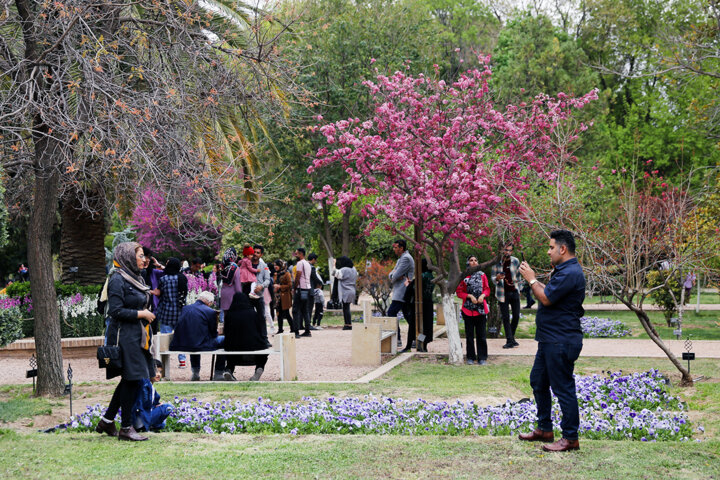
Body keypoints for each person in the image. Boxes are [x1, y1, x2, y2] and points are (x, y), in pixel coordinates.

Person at [518, 229, 585, 452]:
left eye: (551, 247)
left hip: (561, 340)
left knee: (563, 388)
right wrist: (536, 281)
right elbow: (551, 293)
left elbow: (545, 298)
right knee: (538, 381)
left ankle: (570, 438)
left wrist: (532, 279)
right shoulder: (564, 270)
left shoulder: (571, 272)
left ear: (562, 249)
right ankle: (545, 429)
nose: (548, 252)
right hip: (549, 340)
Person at [95, 242, 155, 441]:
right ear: (128, 256)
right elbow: (115, 311)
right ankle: (126, 428)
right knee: (133, 378)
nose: (143, 259)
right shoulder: (117, 279)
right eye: (139, 255)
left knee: (131, 379)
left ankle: (107, 420)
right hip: (124, 336)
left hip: (137, 335)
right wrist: (142, 313)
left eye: (143, 255)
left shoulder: (136, 277)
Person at [170, 291, 225, 381]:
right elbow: (213, 334)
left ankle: (195, 373)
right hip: (199, 344)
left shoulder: (185, 308)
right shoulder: (210, 311)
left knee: (195, 339)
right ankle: (218, 372)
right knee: (225, 340)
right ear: (209, 302)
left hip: (183, 343)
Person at [223, 292, 269, 381]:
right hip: (253, 347)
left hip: (234, 348)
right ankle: (259, 368)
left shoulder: (229, 315)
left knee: (229, 347)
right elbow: (261, 327)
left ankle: (229, 369)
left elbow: (226, 332)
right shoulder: (253, 314)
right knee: (265, 350)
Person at [153, 257, 188, 368]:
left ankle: (164, 362)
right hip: (179, 312)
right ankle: (182, 361)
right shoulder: (182, 278)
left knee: (165, 338)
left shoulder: (164, 279)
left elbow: (159, 293)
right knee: (181, 336)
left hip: (166, 312)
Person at [456, 256, 490, 364]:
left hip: (480, 309)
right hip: (468, 309)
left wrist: (483, 296)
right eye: (471, 260)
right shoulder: (464, 276)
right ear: (468, 263)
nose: (474, 262)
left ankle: (482, 358)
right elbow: (459, 292)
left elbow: (487, 289)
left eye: (476, 260)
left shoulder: (482, 275)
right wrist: (469, 296)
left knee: (481, 335)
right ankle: (470, 357)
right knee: (469, 335)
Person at [491, 244, 521, 349]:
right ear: (502, 250)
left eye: (509, 250)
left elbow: (519, 275)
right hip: (502, 293)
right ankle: (510, 340)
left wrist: (519, 288)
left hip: (514, 291)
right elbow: (492, 278)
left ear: (512, 251)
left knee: (516, 316)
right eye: (505, 250)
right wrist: (498, 278)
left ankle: (511, 338)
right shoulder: (496, 262)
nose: (507, 252)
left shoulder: (515, 261)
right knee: (505, 317)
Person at [131, 360, 173, 432]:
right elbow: (144, 403)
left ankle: (150, 426)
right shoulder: (144, 385)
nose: (158, 374)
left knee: (162, 424)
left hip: (143, 416)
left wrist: (156, 405)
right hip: (141, 418)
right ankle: (144, 426)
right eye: (156, 371)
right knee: (168, 407)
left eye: (160, 372)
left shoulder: (151, 386)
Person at [388, 239, 414, 347]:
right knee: (408, 316)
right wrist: (394, 275)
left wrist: (394, 275)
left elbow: (393, 277)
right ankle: (415, 338)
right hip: (400, 290)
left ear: (401, 248)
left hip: (402, 291)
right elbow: (391, 275)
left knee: (391, 313)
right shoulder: (401, 259)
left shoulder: (406, 259)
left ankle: (398, 339)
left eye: (396, 247)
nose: (394, 249)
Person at [332, 256, 358, 330]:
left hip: (345, 291)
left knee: (346, 308)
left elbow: (334, 273)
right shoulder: (354, 269)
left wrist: (334, 264)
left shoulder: (344, 270)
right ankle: (347, 323)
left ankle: (348, 324)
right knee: (347, 307)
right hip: (352, 290)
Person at [253, 245, 274, 333]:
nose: (255, 254)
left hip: (260, 295)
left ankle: (264, 338)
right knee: (251, 317)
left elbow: (268, 280)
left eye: (258, 253)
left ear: (261, 255)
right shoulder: (247, 264)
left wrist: (261, 286)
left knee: (262, 316)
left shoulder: (264, 266)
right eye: (254, 252)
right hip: (248, 295)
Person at [292, 248, 313, 337]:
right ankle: (307, 331)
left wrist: (294, 287)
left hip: (300, 289)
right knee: (305, 310)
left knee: (295, 310)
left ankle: (296, 331)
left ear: (301, 254)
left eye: (296, 254)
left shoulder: (300, 263)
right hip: (307, 288)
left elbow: (298, 276)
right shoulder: (308, 264)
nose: (295, 255)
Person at [273, 259, 295, 336]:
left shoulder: (287, 274)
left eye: (277, 265)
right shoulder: (276, 274)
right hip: (277, 297)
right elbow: (274, 283)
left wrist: (280, 286)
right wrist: (275, 287)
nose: (275, 267)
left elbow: (290, 285)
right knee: (279, 313)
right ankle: (280, 329)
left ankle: (293, 328)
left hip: (285, 296)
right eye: (274, 265)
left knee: (286, 313)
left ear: (281, 266)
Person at [419, 259, 435, 352]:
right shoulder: (432, 276)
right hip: (429, 302)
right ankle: (424, 345)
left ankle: (421, 342)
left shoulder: (422, 276)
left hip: (422, 303)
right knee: (428, 325)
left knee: (422, 325)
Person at [307, 253, 324, 329]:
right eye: (315, 260)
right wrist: (320, 283)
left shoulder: (304, 265)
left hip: (303, 288)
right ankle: (308, 324)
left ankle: (303, 323)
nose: (315, 262)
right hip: (310, 289)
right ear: (313, 259)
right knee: (310, 307)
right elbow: (314, 278)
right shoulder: (312, 267)